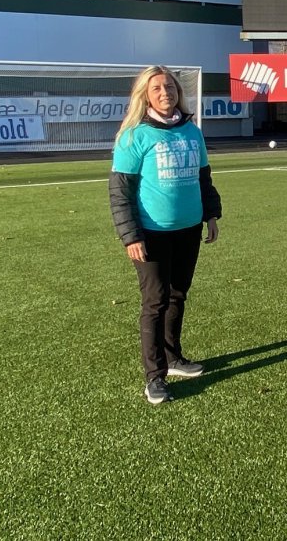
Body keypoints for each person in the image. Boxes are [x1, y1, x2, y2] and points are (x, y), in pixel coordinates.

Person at [109, 66, 221, 404]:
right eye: (157, 88)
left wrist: (211, 213)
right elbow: (119, 193)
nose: (165, 92)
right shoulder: (134, 136)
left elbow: (204, 177)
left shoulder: (192, 131)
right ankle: (154, 377)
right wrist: (131, 236)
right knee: (155, 302)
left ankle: (174, 359)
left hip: (188, 230)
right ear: (145, 94)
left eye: (169, 86)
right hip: (151, 234)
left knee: (178, 295)